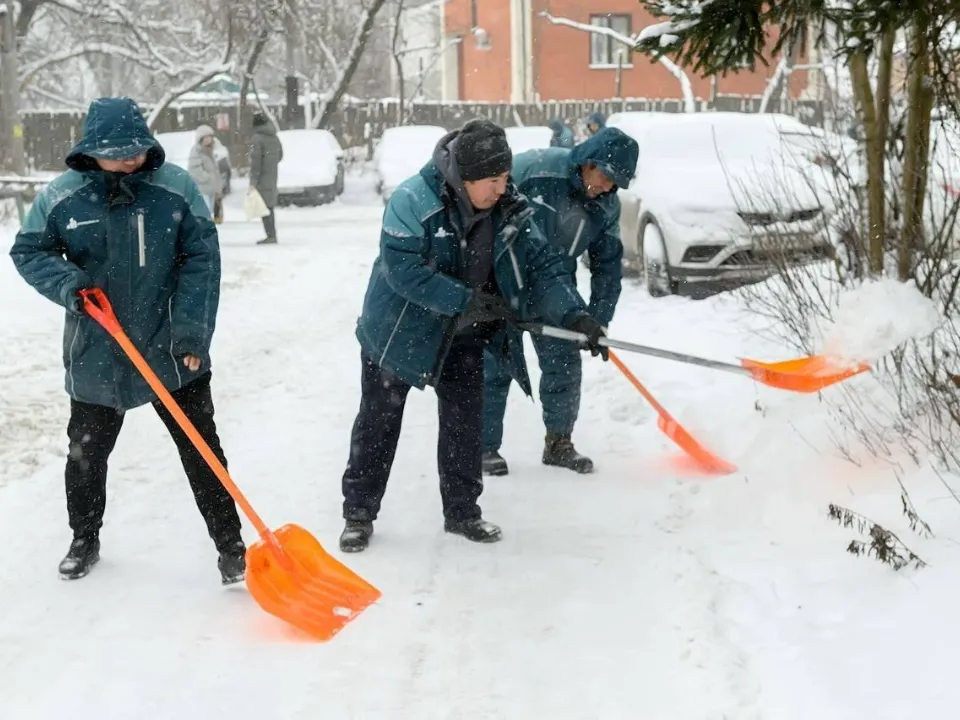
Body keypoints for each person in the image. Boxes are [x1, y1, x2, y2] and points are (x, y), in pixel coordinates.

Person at [338, 119, 606, 553]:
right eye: (494, 180)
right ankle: (358, 513)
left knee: (465, 423)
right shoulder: (412, 199)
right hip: (399, 330)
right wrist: (465, 298)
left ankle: (462, 511)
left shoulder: (509, 208)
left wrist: (577, 317)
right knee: (378, 423)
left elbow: (543, 266)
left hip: (464, 333)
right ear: (465, 177)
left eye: (506, 178)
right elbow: (403, 270)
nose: (502, 189)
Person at [9, 97, 246, 585]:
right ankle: (84, 538)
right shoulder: (62, 197)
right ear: (91, 151)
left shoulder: (175, 188)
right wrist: (71, 286)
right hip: (97, 349)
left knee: (202, 449)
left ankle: (231, 545)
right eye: (116, 153)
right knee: (86, 453)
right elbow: (28, 250)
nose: (129, 161)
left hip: (172, 349)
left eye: (136, 151)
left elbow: (202, 260)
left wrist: (190, 332)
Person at [482, 126, 639, 477]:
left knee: (563, 363)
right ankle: (483, 446)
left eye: (617, 183)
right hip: (500, 281)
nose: (608, 187)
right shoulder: (534, 170)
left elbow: (607, 267)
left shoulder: (606, 207)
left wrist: (597, 320)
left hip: (556, 288)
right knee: (494, 366)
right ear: (588, 161)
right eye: (606, 177)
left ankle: (559, 442)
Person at [249, 112, 283, 245]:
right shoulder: (274, 137)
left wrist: (253, 181)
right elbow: (280, 155)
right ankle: (271, 234)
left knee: (264, 206)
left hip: (261, 177)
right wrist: (271, 164)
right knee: (269, 206)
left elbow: (256, 162)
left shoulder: (257, 138)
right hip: (272, 175)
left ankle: (271, 236)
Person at [188, 124, 223, 216]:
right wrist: (206, 178)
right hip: (202, 190)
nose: (208, 139)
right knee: (203, 214)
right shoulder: (196, 151)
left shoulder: (211, 150)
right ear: (201, 139)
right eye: (206, 137)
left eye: (210, 137)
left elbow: (214, 169)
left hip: (212, 189)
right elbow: (194, 169)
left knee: (211, 214)